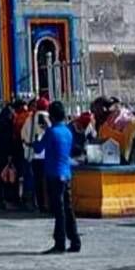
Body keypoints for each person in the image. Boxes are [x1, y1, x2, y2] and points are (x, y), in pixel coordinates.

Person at [39, 100, 81, 253]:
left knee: (59, 210)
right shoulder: (68, 132)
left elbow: (38, 148)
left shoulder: (51, 132)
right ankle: (75, 240)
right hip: (66, 173)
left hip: (53, 174)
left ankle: (60, 242)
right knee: (68, 209)